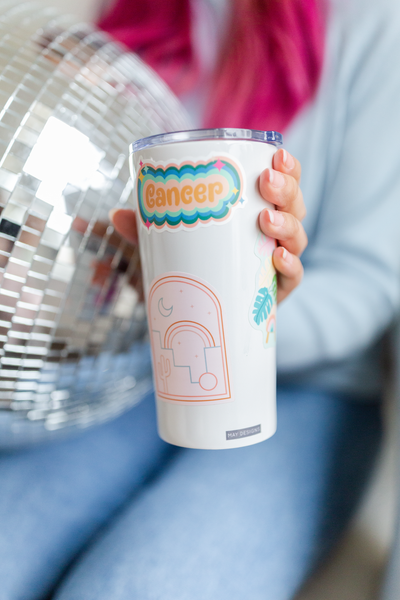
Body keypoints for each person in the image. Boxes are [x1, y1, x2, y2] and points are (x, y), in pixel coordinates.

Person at [0, 1, 400, 600]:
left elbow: (367, 283)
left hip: (306, 395)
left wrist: (256, 312)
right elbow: (106, 234)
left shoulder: (370, 26)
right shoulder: (129, 22)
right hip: (134, 374)